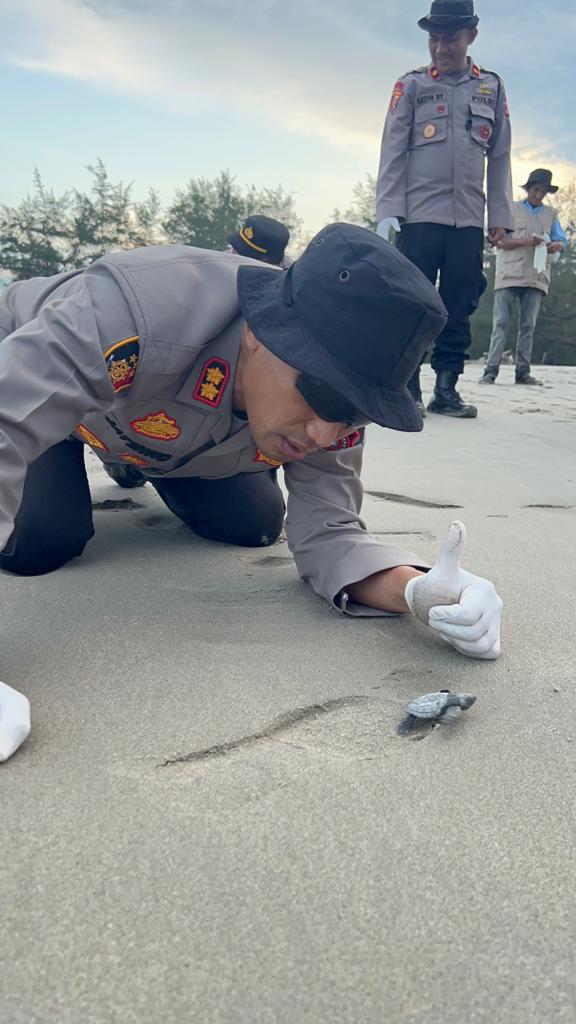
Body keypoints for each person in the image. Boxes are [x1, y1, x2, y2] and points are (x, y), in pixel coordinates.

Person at [0, 224, 503, 761]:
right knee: (42, 538)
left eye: (357, 413)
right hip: (36, 389)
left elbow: (329, 532)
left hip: (161, 431)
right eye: (324, 394)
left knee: (254, 523)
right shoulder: (134, 309)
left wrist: (417, 591)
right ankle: (100, 454)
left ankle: (132, 462)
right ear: (258, 331)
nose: (326, 436)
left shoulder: (334, 411)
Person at [376, 0, 514, 419]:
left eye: (449, 38)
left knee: (460, 303)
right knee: (414, 304)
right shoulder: (412, 85)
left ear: (470, 36)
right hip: (418, 217)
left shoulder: (490, 86)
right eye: (434, 38)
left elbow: (501, 155)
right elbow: (393, 149)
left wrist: (501, 219)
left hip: (468, 220)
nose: (440, 48)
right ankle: (408, 388)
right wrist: (387, 209)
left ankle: (447, 389)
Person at [480, 169, 568, 386]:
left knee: (528, 326)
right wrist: (527, 242)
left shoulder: (551, 214)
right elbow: (498, 242)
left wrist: (556, 245)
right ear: (528, 188)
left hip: (536, 277)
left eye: (543, 191)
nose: (538, 195)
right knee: (501, 323)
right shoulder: (511, 209)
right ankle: (490, 371)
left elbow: (561, 242)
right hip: (509, 274)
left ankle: (523, 372)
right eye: (536, 190)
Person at [228, 214, 292, 269]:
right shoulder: (226, 257)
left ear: (272, 262)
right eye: (237, 248)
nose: (236, 255)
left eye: (247, 256)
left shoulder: (292, 280)